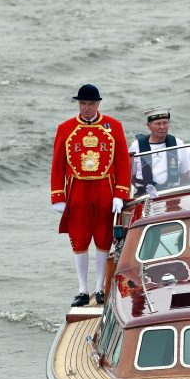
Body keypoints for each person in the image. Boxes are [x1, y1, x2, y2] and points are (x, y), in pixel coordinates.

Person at [50, 84, 130, 307]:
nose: (87, 108)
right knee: (79, 238)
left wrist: (120, 193)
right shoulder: (65, 128)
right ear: (79, 104)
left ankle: (100, 288)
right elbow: (57, 164)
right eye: (83, 103)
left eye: (91, 104)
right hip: (78, 191)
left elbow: (123, 162)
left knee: (104, 239)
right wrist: (58, 196)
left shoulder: (113, 126)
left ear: (98, 104)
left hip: (105, 189)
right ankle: (83, 290)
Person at [129, 107, 190, 194]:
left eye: (165, 123)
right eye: (158, 123)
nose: (162, 127)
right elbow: (131, 175)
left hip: (172, 194)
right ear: (149, 126)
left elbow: (185, 174)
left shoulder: (178, 143)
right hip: (145, 196)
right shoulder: (136, 146)